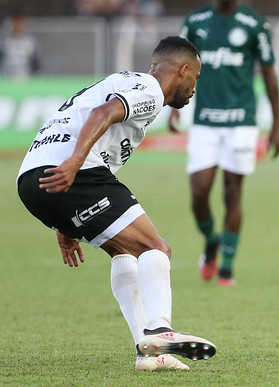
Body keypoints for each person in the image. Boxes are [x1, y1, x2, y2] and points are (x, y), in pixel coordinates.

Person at [17, 36, 216, 371]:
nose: (195, 87)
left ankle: (150, 355)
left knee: (124, 252)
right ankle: (159, 331)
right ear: (183, 71)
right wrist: (74, 163)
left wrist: (63, 222)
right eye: (196, 77)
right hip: (75, 172)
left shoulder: (123, 82)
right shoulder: (150, 90)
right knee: (155, 248)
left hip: (32, 181)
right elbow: (103, 112)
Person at [170, 0, 279, 285]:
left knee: (233, 193)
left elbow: (269, 74)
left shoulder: (255, 24)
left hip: (241, 122)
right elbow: (177, 66)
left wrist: (277, 127)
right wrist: (173, 106)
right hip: (205, 121)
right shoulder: (196, 21)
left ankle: (227, 268)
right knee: (199, 193)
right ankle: (211, 241)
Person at [0, 12, 40, 80]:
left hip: (25, 77)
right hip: (5, 77)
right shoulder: (3, 39)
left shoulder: (30, 41)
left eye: (21, 23)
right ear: (12, 23)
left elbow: (36, 62)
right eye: (16, 23)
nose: (19, 26)